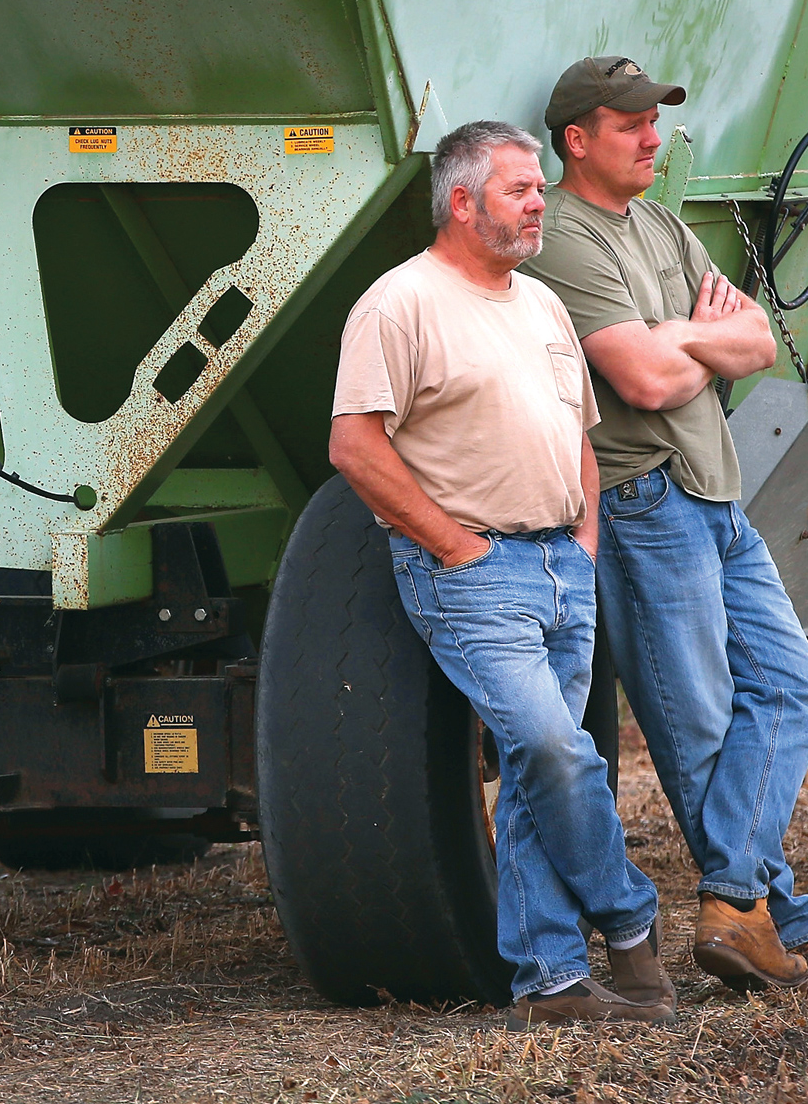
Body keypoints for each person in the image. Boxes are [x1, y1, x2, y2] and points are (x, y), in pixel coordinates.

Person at [328, 119, 674, 1026]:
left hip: (564, 564)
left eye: (538, 189)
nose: (538, 204)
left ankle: (549, 981)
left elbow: (579, 436)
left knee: (533, 771)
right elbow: (355, 447)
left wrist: (585, 539)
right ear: (461, 201)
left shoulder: (543, 304)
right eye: (520, 189)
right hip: (474, 573)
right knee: (556, 749)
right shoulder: (399, 304)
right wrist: (455, 547)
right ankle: (630, 922)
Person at [521, 57, 808, 993]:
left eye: (653, 119)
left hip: (718, 495)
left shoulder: (663, 226)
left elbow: (761, 341)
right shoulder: (563, 240)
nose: (652, 136)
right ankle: (775, 919)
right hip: (646, 501)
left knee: (793, 690)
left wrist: (683, 341)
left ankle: (737, 902)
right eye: (630, 123)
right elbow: (643, 380)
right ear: (577, 139)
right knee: (699, 729)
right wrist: (695, 343)